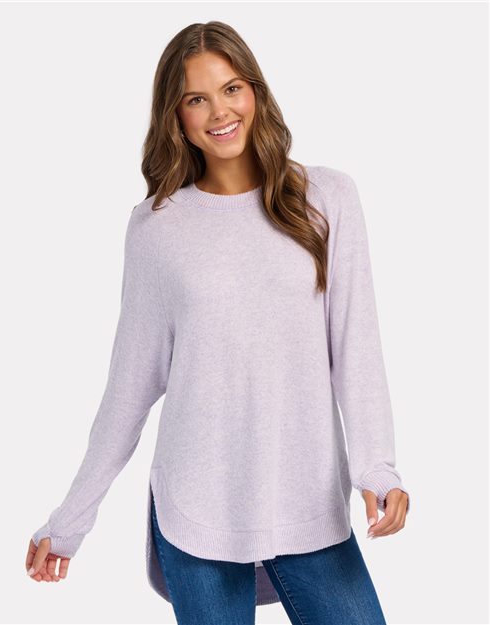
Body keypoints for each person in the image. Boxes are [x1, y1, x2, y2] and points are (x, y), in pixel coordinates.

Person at [26, 20, 410, 625]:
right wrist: (70, 520)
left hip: (306, 498)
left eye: (231, 89)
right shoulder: (157, 228)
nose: (220, 111)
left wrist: (377, 469)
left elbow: (355, 348)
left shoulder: (327, 199)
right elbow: (129, 389)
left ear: (255, 91)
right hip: (197, 509)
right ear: (176, 117)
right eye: (196, 99)